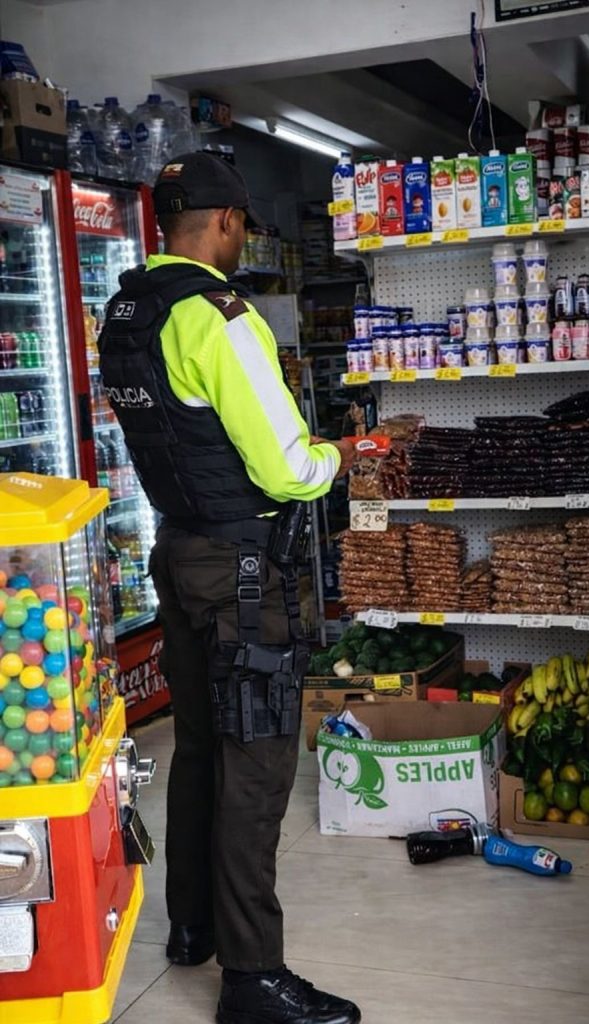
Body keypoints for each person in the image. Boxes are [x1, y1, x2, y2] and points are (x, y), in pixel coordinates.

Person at [97, 152, 360, 1024]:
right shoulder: (220, 317)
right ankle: (252, 978)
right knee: (256, 768)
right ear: (226, 223)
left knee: (201, 749)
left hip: (177, 555)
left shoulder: (127, 311)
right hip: (241, 574)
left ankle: (191, 927)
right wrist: (340, 458)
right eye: (242, 222)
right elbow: (286, 469)